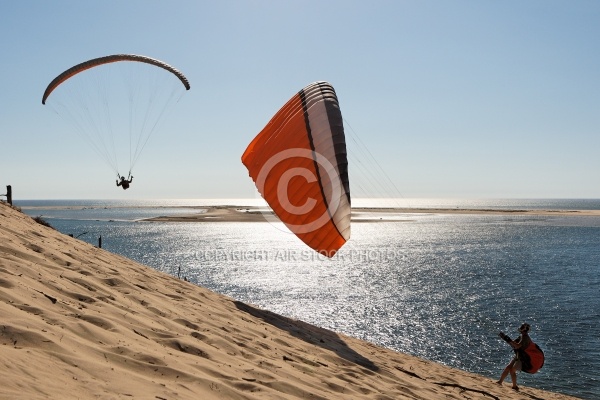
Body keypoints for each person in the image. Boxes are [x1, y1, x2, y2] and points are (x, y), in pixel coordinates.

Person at [496, 323, 532, 391]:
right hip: (518, 355)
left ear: (524, 329)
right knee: (508, 367)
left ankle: (515, 386)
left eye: (522, 327)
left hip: (522, 358)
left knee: (512, 370)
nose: (520, 328)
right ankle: (500, 382)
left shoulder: (526, 338)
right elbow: (513, 344)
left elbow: (517, 346)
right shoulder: (522, 336)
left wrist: (508, 340)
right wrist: (505, 338)